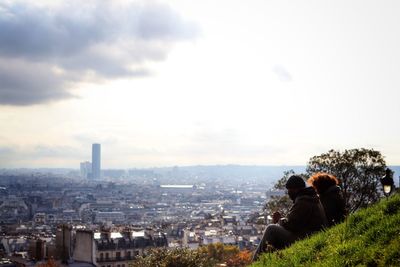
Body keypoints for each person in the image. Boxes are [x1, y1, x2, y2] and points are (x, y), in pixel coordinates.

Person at [253, 175, 327, 260]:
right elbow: (296, 221)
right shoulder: (310, 197)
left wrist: (279, 220)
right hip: (311, 234)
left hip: (309, 236)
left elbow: (291, 224)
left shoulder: (304, 201)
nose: (288, 193)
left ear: (296, 189)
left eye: (289, 190)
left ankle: (256, 261)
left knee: (271, 229)